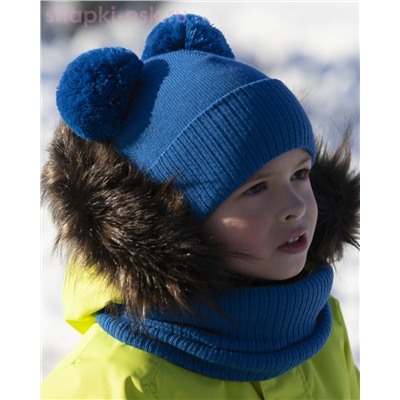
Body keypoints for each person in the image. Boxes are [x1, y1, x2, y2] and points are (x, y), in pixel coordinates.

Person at [41, 14, 360, 399]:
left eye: (300, 173)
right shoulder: (116, 382)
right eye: (256, 188)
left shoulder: (320, 326)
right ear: (178, 217)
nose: (295, 205)